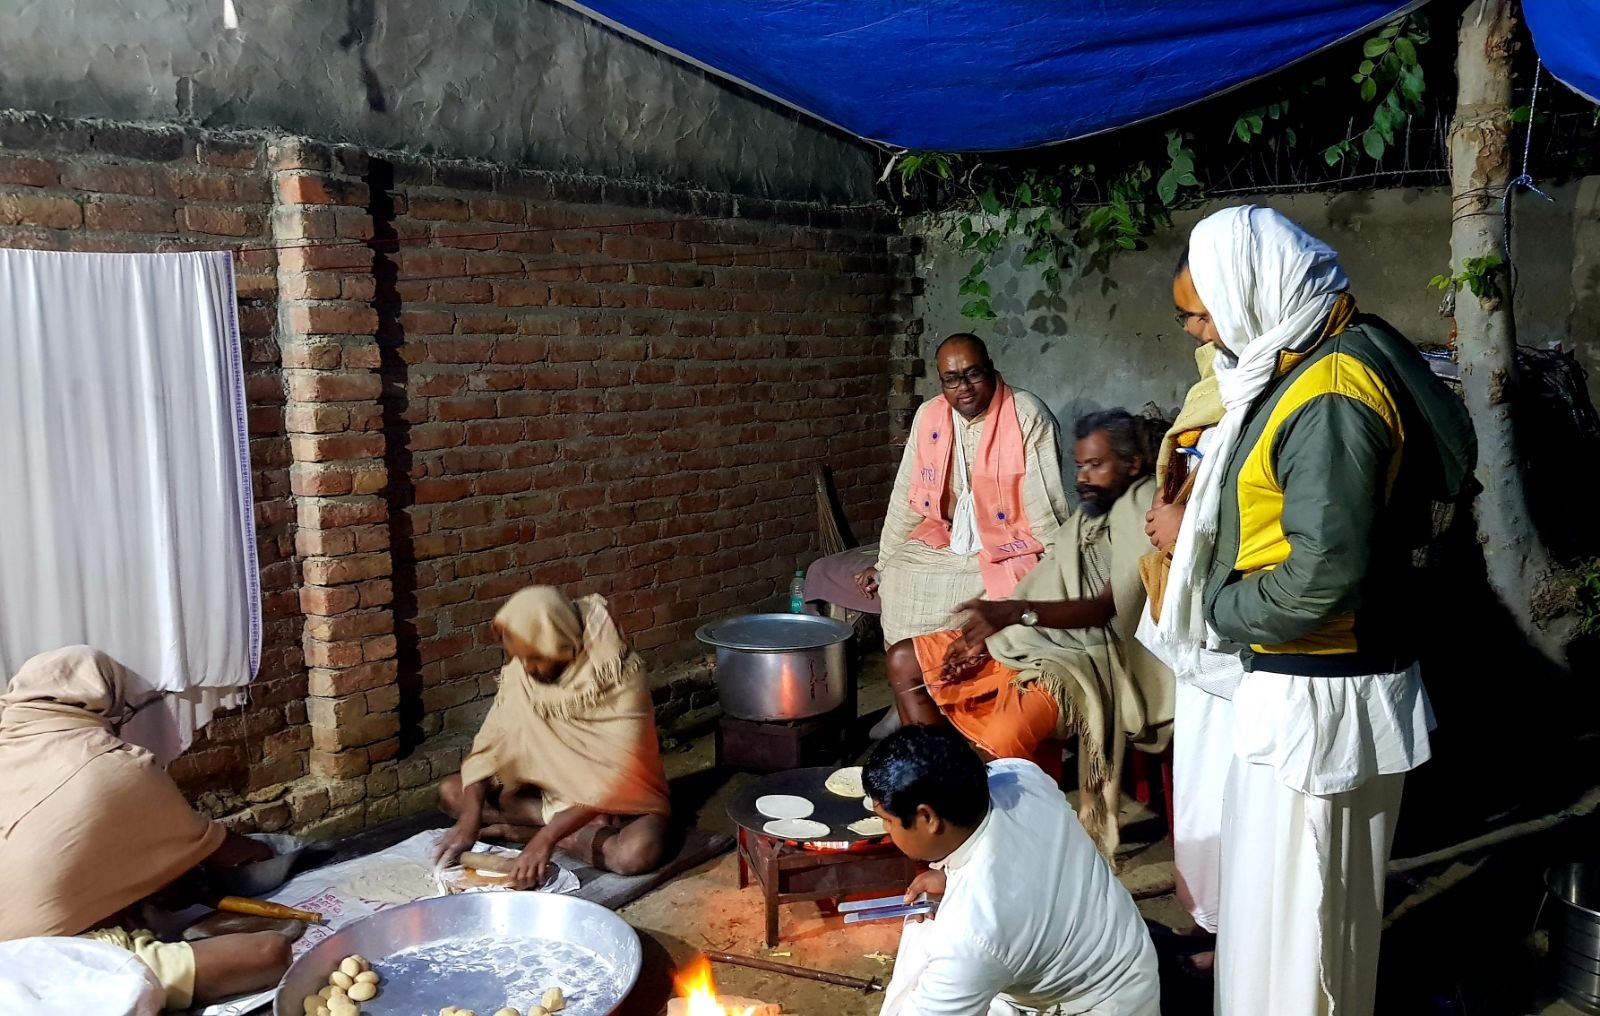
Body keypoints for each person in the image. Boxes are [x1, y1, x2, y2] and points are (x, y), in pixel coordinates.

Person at [1148, 205, 1476, 1015]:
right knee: (1277, 926)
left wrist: (1219, 609)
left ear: (1254, 291)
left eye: (1204, 311)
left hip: (1321, 703)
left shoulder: (1331, 391)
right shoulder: (1307, 360)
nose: (1197, 333)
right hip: (1302, 689)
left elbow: (1324, 575)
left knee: (1306, 939)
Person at [885, 409, 1174, 858]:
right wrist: (988, 633)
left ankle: (999, 841)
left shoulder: (1141, 504)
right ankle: (942, 789)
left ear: (1133, 464)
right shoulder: (1092, 513)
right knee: (906, 660)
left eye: (1095, 464)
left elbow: (1108, 608)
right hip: (1033, 640)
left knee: (1004, 733)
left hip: (1089, 656)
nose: (1083, 476)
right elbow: (1048, 580)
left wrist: (1013, 613)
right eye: (1079, 465)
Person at [0, 646, 293, 1011]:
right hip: (34, 960)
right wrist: (266, 854)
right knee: (270, 952)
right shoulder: (115, 767)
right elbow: (222, 850)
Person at [867, 725, 1159, 1016]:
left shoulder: (972, 931)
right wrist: (950, 876)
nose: (885, 829)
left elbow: (986, 918)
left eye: (887, 820)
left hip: (1098, 1003)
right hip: (1126, 954)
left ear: (927, 817)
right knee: (927, 923)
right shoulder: (1019, 775)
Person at [857, 332, 1069, 668]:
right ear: (941, 381)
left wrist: (1060, 567)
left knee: (1006, 589)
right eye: (952, 379)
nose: (964, 387)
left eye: (973, 374)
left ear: (991, 370)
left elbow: (1048, 505)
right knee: (899, 576)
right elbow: (904, 497)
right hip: (946, 537)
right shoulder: (929, 416)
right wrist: (883, 563)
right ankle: (916, 681)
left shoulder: (1027, 415)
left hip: (1008, 543)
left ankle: (967, 685)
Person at [436, 586, 671, 886]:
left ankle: (530, 831)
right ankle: (562, 832)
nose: (529, 669)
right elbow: (488, 749)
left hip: (614, 802)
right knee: (453, 793)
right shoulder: (524, 670)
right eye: (521, 659)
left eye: (536, 659)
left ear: (560, 641)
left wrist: (545, 840)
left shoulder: (617, 675)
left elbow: (615, 779)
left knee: (636, 853)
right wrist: (468, 823)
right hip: (546, 794)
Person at [1137, 337, 1240, 976]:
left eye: (1205, 313)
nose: (1197, 333)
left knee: (1240, 799)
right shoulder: (1221, 385)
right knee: (1206, 787)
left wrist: (1188, 526)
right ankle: (1218, 932)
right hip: (1205, 627)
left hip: (1249, 635)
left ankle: (1241, 946)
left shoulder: (1296, 394)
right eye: (1186, 318)